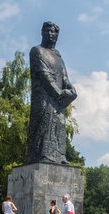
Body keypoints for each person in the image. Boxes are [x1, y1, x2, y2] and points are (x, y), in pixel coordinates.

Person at [27, 21, 77, 165]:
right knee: (43, 125)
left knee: (58, 126)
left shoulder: (58, 56)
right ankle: (41, 156)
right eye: (47, 31)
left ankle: (59, 156)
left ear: (57, 35)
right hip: (43, 99)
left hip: (58, 101)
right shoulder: (37, 51)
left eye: (53, 32)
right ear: (42, 33)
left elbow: (65, 77)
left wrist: (72, 91)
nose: (50, 34)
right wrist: (59, 93)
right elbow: (44, 75)